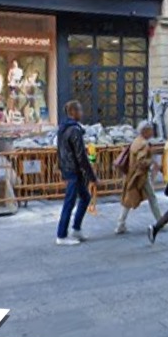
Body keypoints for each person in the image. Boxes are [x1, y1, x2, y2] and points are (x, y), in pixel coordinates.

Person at [55, 100, 97, 246]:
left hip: (68, 169)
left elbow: (60, 151)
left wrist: (61, 169)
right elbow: (81, 156)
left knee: (85, 197)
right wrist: (92, 176)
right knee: (70, 202)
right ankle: (61, 235)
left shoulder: (63, 128)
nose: (82, 113)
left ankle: (76, 229)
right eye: (79, 110)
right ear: (72, 112)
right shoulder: (74, 130)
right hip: (74, 171)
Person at [116, 121, 163, 235]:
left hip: (133, 175)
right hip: (140, 176)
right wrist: (151, 161)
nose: (152, 132)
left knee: (129, 199)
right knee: (151, 197)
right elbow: (141, 162)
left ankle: (120, 224)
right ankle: (161, 221)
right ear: (145, 131)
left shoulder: (136, 141)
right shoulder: (143, 144)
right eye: (151, 130)